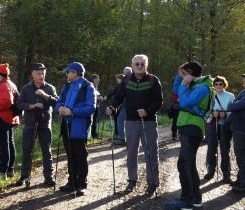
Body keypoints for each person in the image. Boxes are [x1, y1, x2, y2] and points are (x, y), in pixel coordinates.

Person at [107, 54, 163, 196]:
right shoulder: (126, 80)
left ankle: (152, 183)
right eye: (136, 64)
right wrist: (112, 107)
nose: (139, 66)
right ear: (132, 66)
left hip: (148, 121)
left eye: (142, 64)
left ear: (146, 66)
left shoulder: (153, 80)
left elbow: (159, 101)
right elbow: (118, 97)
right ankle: (132, 180)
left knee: (151, 152)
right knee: (131, 152)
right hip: (131, 121)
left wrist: (148, 111)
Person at [165, 61, 213, 209]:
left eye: (186, 74)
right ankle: (196, 199)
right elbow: (176, 91)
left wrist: (184, 84)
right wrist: (180, 78)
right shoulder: (195, 84)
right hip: (187, 127)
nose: (184, 76)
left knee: (184, 164)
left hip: (193, 128)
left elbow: (184, 103)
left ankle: (186, 201)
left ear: (191, 74)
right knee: (189, 164)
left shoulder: (203, 87)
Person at [55, 62, 95, 196]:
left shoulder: (87, 87)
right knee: (70, 155)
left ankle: (81, 184)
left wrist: (72, 112)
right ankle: (71, 182)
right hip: (65, 126)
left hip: (80, 127)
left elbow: (91, 108)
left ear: (76, 72)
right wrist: (59, 108)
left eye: (68, 72)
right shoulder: (66, 86)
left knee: (80, 156)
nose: (66, 74)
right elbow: (58, 101)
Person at [16, 63, 58, 187]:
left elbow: (56, 102)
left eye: (43, 73)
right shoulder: (26, 88)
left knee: (46, 150)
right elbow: (19, 103)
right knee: (27, 150)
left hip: (45, 123)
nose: (41, 76)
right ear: (33, 75)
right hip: (30, 123)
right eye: (39, 73)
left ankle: (48, 177)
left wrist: (45, 96)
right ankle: (24, 176)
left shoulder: (50, 88)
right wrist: (31, 106)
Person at [203, 76, 235, 183]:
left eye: (220, 84)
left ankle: (226, 174)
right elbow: (205, 112)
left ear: (224, 85)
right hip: (212, 124)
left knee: (225, 149)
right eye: (216, 83)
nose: (218, 86)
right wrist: (213, 113)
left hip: (225, 125)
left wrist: (225, 113)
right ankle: (210, 171)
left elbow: (234, 111)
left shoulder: (230, 96)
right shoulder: (210, 96)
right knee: (211, 148)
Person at [227, 73, 245, 193]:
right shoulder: (244, 92)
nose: (243, 80)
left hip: (243, 129)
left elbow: (233, 106)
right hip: (238, 127)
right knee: (241, 155)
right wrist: (232, 105)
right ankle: (241, 179)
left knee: (241, 155)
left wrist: (231, 105)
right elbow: (234, 105)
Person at [89, 74, 103, 139]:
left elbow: (96, 95)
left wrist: (100, 98)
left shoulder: (96, 87)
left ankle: (94, 135)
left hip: (96, 106)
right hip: (91, 107)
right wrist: (98, 98)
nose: (99, 80)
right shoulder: (90, 86)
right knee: (91, 121)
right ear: (94, 79)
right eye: (97, 78)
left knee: (94, 121)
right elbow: (91, 97)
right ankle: (91, 135)